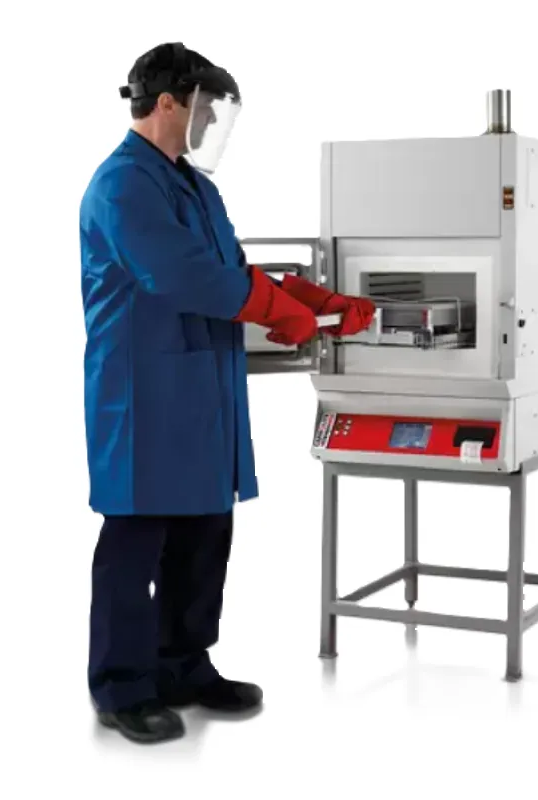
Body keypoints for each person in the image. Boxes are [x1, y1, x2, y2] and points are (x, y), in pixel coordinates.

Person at [79, 42, 375, 744]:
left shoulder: (195, 188)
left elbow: (234, 269)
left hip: (202, 386)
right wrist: (278, 311)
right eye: (204, 107)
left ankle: (184, 665)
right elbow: (181, 276)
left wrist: (312, 297)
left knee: (205, 533)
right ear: (168, 102)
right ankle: (121, 687)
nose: (211, 122)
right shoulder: (122, 185)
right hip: (144, 393)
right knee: (136, 540)